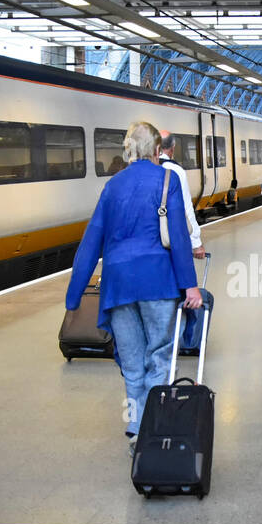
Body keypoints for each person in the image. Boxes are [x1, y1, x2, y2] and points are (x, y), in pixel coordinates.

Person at [65, 121, 202, 454]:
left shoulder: (112, 186)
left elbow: (91, 240)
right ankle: (152, 429)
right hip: (157, 282)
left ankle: (137, 429)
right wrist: (191, 286)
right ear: (157, 150)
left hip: (118, 285)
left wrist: (74, 296)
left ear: (128, 151)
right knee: (159, 356)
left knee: (132, 362)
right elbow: (179, 237)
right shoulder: (166, 179)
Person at [157, 130, 207, 259]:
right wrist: (196, 243)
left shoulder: (144, 169)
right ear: (172, 148)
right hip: (171, 236)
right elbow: (186, 207)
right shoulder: (175, 170)